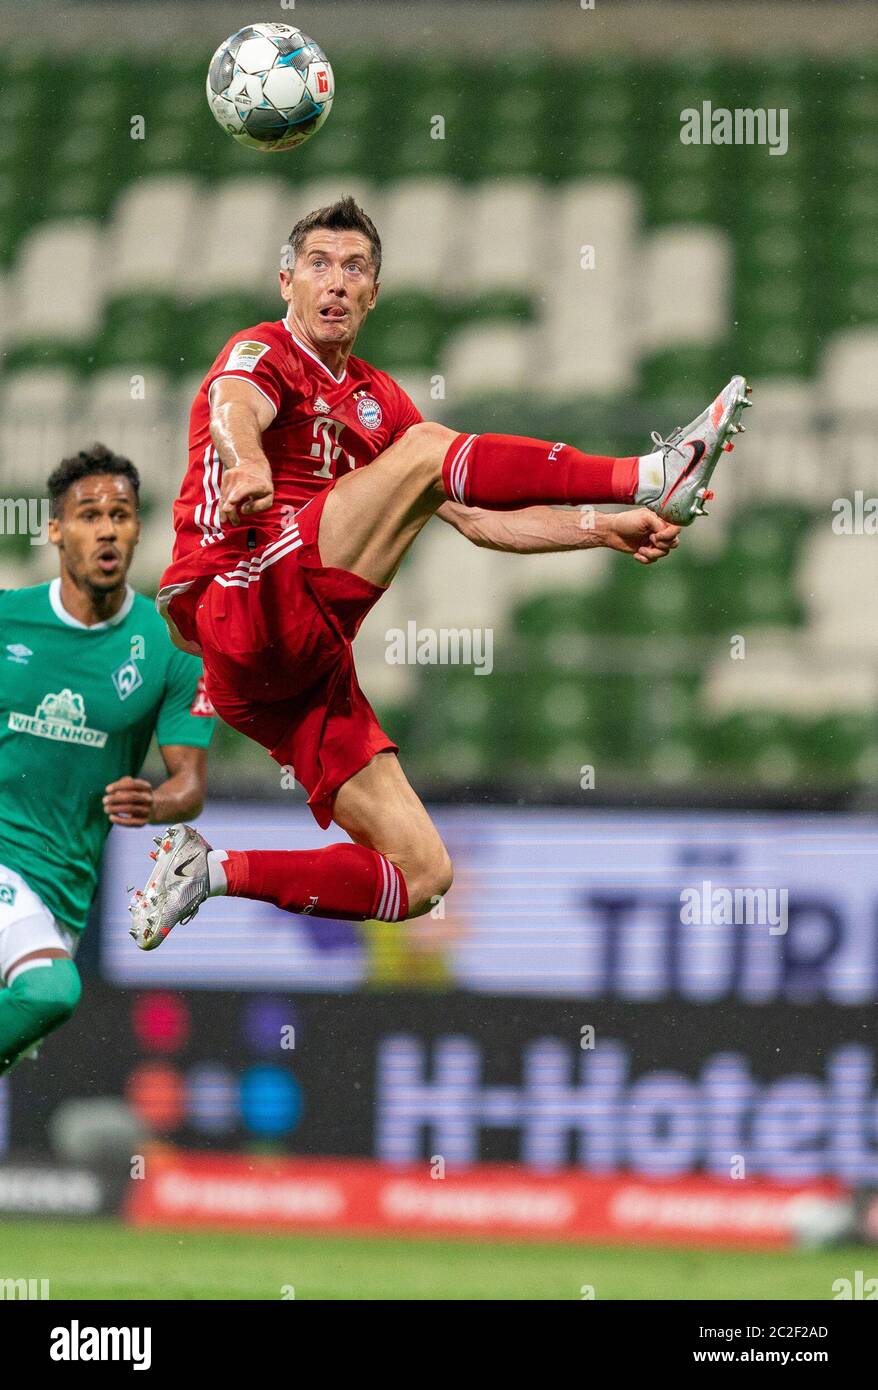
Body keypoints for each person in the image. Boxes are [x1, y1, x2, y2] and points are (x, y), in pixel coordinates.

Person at [129, 196, 751, 949]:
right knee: (427, 450)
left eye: (354, 268)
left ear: (374, 293)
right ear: (285, 281)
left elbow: (479, 518)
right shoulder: (261, 352)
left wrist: (600, 529)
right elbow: (233, 408)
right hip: (239, 600)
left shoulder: (380, 402)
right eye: (318, 265)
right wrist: (248, 461)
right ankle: (650, 471)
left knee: (423, 876)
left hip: (293, 672)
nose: (335, 282)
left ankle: (211, 870)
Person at [0, 444, 215, 1071]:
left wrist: (153, 801)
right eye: (89, 514)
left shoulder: (172, 648)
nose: (107, 529)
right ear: (55, 529)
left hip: (63, 890)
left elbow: (190, 787)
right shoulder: (8, 622)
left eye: (120, 515)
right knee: (51, 991)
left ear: (137, 530)